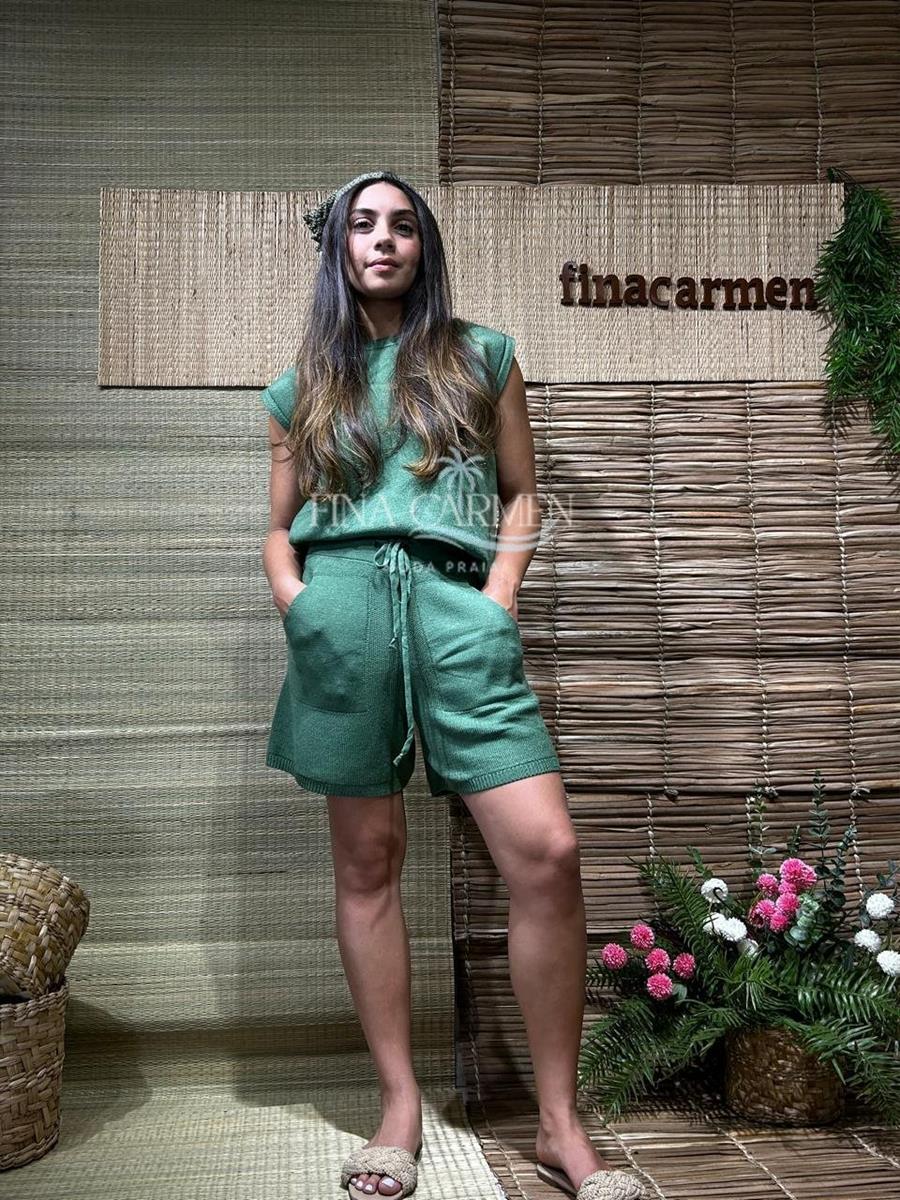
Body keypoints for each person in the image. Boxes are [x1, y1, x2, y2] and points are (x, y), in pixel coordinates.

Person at [259, 171, 648, 1200]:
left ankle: (560, 1125)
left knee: (547, 852)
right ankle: (397, 1106)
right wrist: (299, 599)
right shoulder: (302, 385)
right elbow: (276, 527)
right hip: (344, 616)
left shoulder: (484, 356)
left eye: (402, 226)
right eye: (362, 225)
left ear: (425, 247)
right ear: (339, 249)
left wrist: (498, 600)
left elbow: (521, 495)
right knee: (367, 863)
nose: (383, 241)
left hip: (456, 607)